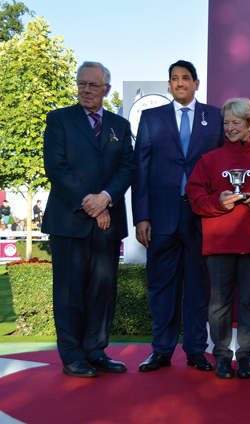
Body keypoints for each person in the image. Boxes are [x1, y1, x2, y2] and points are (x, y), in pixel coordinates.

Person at [42, 61, 134, 377]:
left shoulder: (119, 126)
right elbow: (57, 169)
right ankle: (72, 355)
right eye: (81, 83)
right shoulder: (58, 120)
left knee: (102, 291)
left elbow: (127, 169)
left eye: (93, 85)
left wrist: (106, 198)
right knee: (69, 292)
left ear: (106, 89)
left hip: (107, 225)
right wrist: (93, 205)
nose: (85, 90)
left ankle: (96, 351)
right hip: (70, 223)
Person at [132, 60, 224, 373]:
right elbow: (140, 170)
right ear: (169, 84)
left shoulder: (216, 117)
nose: (180, 83)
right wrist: (141, 217)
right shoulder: (151, 118)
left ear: (196, 83)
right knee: (161, 287)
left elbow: (223, 167)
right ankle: (161, 351)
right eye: (174, 79)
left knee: (199, 286)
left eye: (186, 78)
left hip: (201, 216)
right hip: (161, 217)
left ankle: (197, 350)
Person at [186, 98, 250, 379]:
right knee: (220, 303)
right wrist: (218, 202)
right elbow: (194, 196)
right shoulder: (209, 160)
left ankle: (246, 356)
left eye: (236, 122)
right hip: (220, 243)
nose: (230, 127)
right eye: (226, 122)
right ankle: (222, 356)